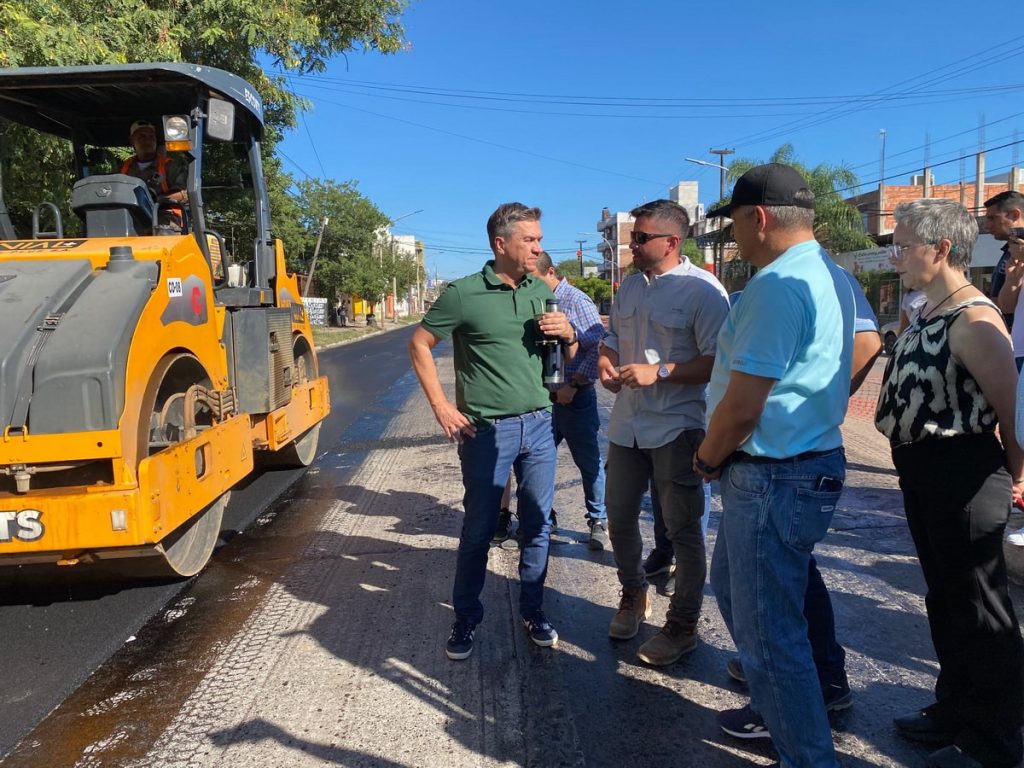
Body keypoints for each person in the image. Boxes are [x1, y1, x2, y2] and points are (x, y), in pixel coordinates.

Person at [696, 163, 855, 767]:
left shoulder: (776, 285)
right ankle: (781, 715)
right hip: (800, 464)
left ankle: (807, 755)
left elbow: (742, 406)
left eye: (733, 222)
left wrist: (708, 456)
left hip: (772, 473)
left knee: (770, 636)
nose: (733, 236)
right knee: (737, 594)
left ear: (757, 217)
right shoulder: (831, 275)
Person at [875, 198, 1024, 768]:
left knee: (982, 609)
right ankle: (956, 709)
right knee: (946, 599)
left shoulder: (975, 320)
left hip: (964, 474)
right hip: (924, 473)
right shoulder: (927, 309)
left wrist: (1017, 479)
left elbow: (1012, 414)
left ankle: (995, 741)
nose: (896, 253)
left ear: (941, 249)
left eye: (903, 243)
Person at [407, 202, 576, 661]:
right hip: (486, 433)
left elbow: (566, 350)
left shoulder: (540, 291)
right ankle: (466, 617)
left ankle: (534, 610)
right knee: (479, 529)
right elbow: (419, 344)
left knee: (538, 525)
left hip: (540, 425)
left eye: (540, 239)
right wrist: (441, 406)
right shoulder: (463, 294)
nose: (539, 247)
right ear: (502, 244)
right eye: (531, 240)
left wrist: (568, 334)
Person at [721, 264, 882, 723]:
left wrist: (816, 407)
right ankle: (787, 678)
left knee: (774, 603)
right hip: (766, 459)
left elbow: (868, 343)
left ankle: (801, 692)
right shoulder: (782, 279)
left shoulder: (813, 276)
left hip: (779, 462)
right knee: (752, 583)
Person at [598, 199, 729, 666]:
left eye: (639, 237)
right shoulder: (629, 287)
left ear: (672, 242)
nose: (630, 245)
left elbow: (719, 362)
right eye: (632, 236)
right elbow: (611, 339)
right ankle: (633, 594)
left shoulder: (705, 292)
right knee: (617, 516)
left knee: (682, 531)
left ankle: (683, 626)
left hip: (677, 425)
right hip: (627, 424)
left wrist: (664, 371)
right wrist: (605, 362)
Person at [531, 252, 610, 550]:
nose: (531, 286)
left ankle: (597, 520)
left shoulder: (576, 301)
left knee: (588, 463)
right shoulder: (536, 301)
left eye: (535, 280)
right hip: (544, 400)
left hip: (575, 399)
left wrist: (574, 385)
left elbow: (598, 347)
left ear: (550, 272)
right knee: (537, 463)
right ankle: (544, 518)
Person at [121, 119, 188, 231]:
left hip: (165, 218)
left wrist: (155, 200)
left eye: (151, 137)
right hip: (129, 217)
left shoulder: (170, 166)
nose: (147, 141)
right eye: (142, 136)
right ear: (132, 140)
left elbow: (185, 194)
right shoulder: (123, 168)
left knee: (164, 234)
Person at [987, 190, 1024, 334]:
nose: (987, 226)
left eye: (992, 218)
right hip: (1013, 342)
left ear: (1015, 215)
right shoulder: (1010, 252)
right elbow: (1004, 307)